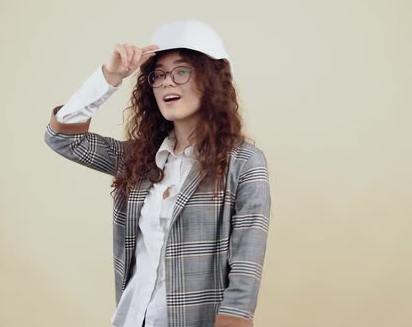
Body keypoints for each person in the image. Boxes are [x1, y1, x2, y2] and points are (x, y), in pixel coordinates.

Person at [44, 19, 270, 327]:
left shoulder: (243, 162)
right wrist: (110, 76)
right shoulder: (139, 160)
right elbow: (63, 138)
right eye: (159, 74)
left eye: (182, 71)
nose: (167, 82)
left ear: (211, 79)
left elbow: (247, 262)